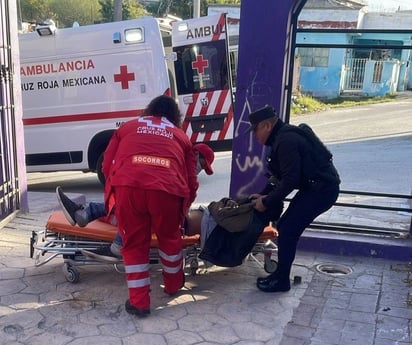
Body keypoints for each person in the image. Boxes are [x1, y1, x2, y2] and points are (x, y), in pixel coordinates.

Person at [100, 95, 199, 317]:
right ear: (175, 117)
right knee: (170, 238)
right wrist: (184, 206)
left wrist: (119, 188)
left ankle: (139, 303)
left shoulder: (127, 127)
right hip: (167, 191)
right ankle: (173, 286)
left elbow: (107, 165)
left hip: (129, 188)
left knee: (134, 245)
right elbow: (191, 180)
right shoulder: (181, 136)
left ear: (148, 110)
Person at [55, 143, 215, 258]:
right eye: (202, 164)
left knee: (136, 205)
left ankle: (85, 215)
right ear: (194, 155)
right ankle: (85, 215)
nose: (200, 169)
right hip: (158, 215)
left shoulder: (178, 167)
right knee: (134, 203)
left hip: (159, 217)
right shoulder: (180, 169)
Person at [246, 105, 340, 293]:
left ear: (266, 125)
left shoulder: (286, 140)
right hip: (314, 188)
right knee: (284, 226)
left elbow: (290, 180)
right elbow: (279, 177)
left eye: (255, 130)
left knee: (288, 230)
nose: (255, 136)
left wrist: (266, 202)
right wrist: (264, 194)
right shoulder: (281, 138)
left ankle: (281, 281)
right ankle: (279, 275)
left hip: (322, 191)